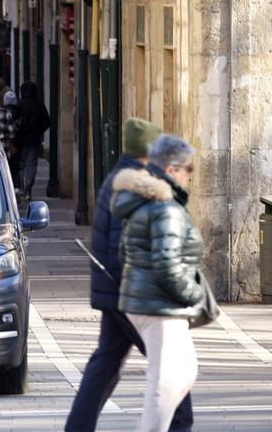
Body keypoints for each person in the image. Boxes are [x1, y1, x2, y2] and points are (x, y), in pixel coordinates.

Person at [65, 118, 198, 432]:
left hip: (117, 292)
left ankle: (78, 427)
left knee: (105, 365)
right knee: (173, 368)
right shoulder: (135, 184)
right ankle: (180, 424)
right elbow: (124, 248)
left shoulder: (120, 178)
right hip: (131, 295)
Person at [110, 134, 205, 432]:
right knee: (163, 386)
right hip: (161, 306)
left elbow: (125, 251)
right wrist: (195, 295)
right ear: (172, 169)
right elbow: (168, 265)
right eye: (189, 168)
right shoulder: (166, 209)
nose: (190, 175)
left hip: (150, 302)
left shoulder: (150, 204)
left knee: (184, 372)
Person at [15, 81, 50, 201]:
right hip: (34, 140)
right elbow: (47, 122)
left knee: (20, 165)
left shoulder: (19, 105)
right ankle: (27, 190)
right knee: (31, 165)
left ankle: (19, 188)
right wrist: (38, 130)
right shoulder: (39, 105)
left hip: (20, 141)